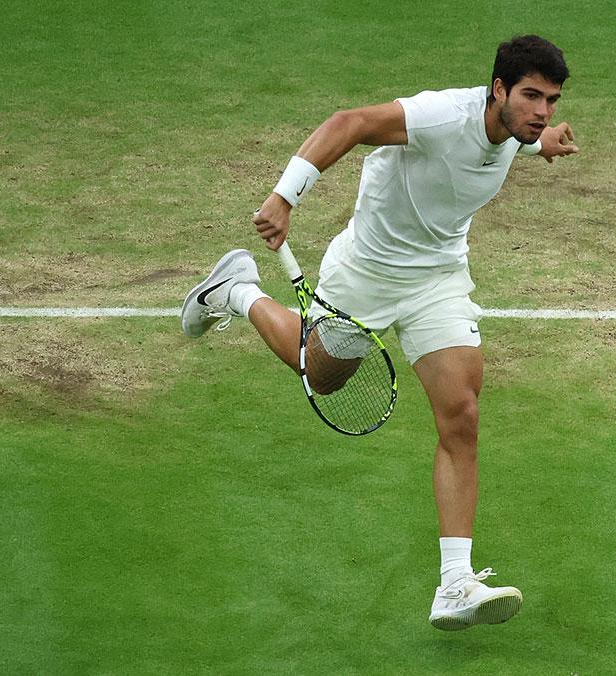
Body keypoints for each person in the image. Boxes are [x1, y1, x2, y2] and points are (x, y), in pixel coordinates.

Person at [180, 35, 577, 631]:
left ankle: (455, 583)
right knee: (320, 373)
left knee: (461, 413)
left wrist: (538, 143)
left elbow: (495, 148)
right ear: (498, 90)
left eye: (550, 100)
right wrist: (285, 197)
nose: (542, 110)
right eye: (530, 97)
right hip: (366, 272)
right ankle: (238, 290)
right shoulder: (441, 115)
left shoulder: (513, 130)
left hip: (438, 278)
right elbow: (351, 122)